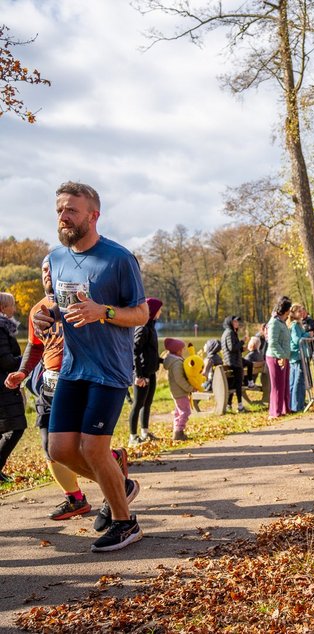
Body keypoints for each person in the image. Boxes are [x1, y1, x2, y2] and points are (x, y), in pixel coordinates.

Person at [34, 181, 149, 552]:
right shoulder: (54, 258)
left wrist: (105, 311)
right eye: (59, 211)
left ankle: (125, 523)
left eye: (71, 210)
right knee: (60, 449)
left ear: (93, 215)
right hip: (72, 367)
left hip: (109, 370)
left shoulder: (118, 258)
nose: (63, 217)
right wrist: (45, 317)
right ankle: (121, 484)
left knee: (94, 449)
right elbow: (56, 303)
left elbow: (142, 313)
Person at [5, 257, 93, 519]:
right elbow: (36, 345)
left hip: (80, 381)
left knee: (83, 446)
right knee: (49, 446)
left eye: (51, 268)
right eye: (43, 269)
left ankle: (115, 475)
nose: (46, 273)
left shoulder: (82, 300)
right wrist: (22, 371)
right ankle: (75, 499)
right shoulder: (37, 310)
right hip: (49, 384)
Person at [0, 292, 26, 483]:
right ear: (3, 308)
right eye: (12, 305)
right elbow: (5, 361)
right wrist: (26, 361)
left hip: (5, 384)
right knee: (14, 428)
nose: (15, 309)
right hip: (4, 385)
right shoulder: (1, 328)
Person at [129, 298, 163, 445]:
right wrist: (139, 375)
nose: (161, 312)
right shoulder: (142, 328)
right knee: (137, 404)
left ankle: (145, 432)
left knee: (147, 403)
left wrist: (161, 361)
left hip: (151, 372)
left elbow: (149, 352)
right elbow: (134, 351)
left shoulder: (151, 327)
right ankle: (133, 437)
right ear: (153, 311)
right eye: (159, 309)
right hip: (142, 374)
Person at [161, 338, 195, 441]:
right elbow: (180, 379)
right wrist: (190, 388)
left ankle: (177, 430)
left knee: (178, 411)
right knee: (185, 411)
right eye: (182, 349)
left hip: (176, 391)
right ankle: (178, 432)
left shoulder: (173, 361)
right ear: (178, 350)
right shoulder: (176, 363)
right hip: (180, 391)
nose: (183, 350)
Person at [266, 297, 292, 418]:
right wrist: (281, 356)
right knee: (277, 385)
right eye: (289, 310)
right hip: (275, 357)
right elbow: (273, 342)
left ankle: (285, 408)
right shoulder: (274, 323)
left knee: (284, 384)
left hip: (284, 357)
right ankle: (275, 411)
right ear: (285, 310)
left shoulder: (282, 322)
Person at [221, 315, 247, 413]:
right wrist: (242, 341)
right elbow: (232, 348)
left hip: (232, 362)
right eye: (235, 322)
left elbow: (233, 348)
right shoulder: (230, 333)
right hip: (234, 363)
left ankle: (229, 405)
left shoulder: (230, 332)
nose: (237, 323)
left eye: (237, 322)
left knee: (232, 384)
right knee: (238, 385)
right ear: (230, 323)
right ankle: (240, 407)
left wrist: (241, 349)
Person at [289, 304, 309, 412]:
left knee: (294, 380)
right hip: (297, 355)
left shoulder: (295, 325)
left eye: (302, 311)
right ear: (294, 313)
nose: (302, 313)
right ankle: (297, 406)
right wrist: (307, 335)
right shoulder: (295, 325)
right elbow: (297, 340)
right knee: (298, 381)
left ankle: (294, 405)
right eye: (299, 311)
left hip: (296, 356)